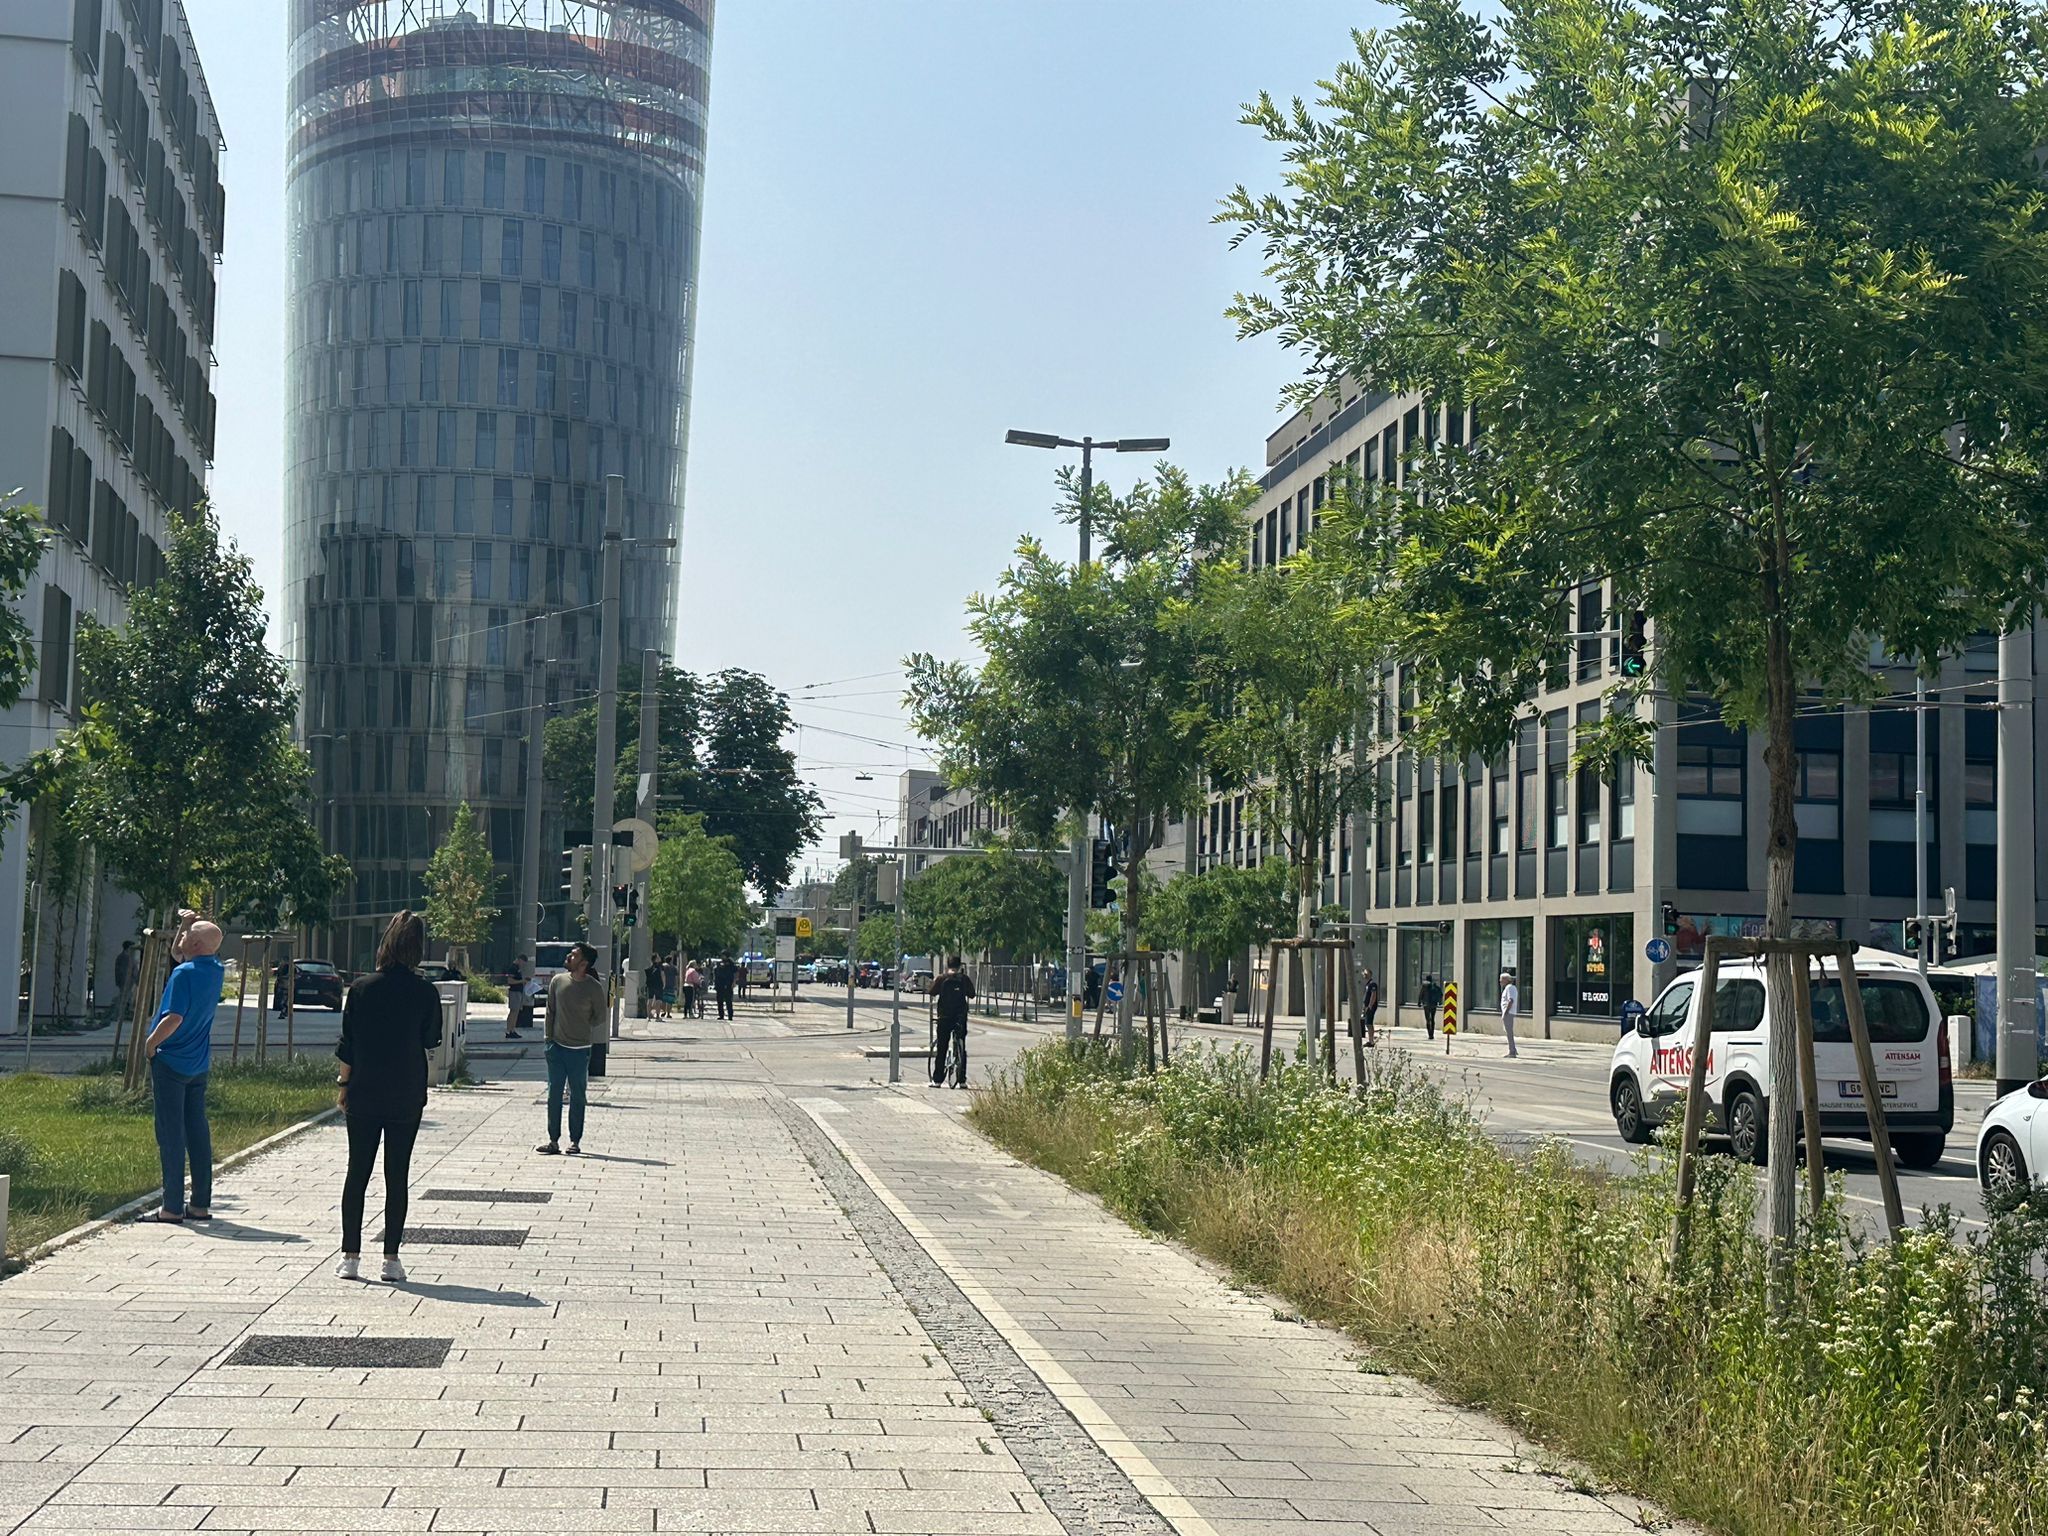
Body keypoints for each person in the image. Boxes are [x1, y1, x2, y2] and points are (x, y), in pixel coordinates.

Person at [334, 911, 443, 1283]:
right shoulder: (426, 992)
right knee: (397, 1175)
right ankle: (391, 1259)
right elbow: (431, 1040)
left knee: (357, 1172)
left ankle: (350, 1255)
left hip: (364, 1089)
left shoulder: (362, 989)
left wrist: (343, 1086)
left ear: (386, 942)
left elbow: (347, 1045)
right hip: (406, 1091)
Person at [141, 913, 224, 1223]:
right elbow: (179, 952)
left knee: (170, 1134)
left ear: (197, 943)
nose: (183, 937)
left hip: (171, 1060)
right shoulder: (214, 969)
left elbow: (173, 1018)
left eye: (189, 934)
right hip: (198, 1062)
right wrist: (185, 925)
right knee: (197, 1132)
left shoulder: (184, 975)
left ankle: (172, 1207)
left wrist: (151, 1045)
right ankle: (200, 1204)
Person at [539, 942, 605, 1155]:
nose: (569, 956)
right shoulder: (558, 982)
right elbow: (550, 1011)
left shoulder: (593, 987)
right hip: (556, 1047)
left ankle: (575, 1140)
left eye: (574, 955)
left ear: (584, 963)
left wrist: (581, 1027)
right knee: (553, 1094)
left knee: (578, 1095)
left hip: (580, 1049)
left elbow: (600, 1017)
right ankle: (553, 1140)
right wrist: (548, 1039)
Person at [929, 955, 976, 1090]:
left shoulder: (941, 978)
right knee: (961, 1045)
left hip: (944, 1017)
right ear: (960, 966)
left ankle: (937, 1080)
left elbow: (931, 992)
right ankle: (962, 1080)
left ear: (947, 965)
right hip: (960, 1017)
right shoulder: (964, 979)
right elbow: (972, 994)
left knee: (942, 1048)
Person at [111, 938, 138, 1023]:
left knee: (125, 998)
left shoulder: (127, 957)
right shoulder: (124, 958)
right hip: (126, 982)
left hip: (129, 982)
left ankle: (120, 1015)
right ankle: (117, 1015)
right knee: (123, 998)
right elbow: (123, 971)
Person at [505, 954, 531, 1039]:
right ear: (519, 959)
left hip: (518, 992)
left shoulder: (518, 968)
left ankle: (512, 1030)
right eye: (523, 962)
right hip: (514, 992)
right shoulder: (513, 968)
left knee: (516, 1012)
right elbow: (510, 981)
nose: (522, 964)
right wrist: (521, 981)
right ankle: (509, 1030)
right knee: (513, 1011)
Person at [1499, 970, 1520, 1059]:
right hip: (1508, 1012)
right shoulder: (1509, 988)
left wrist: (1506, 1012)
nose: (1500, 982)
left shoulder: (1510, 988)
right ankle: (1513, 1049)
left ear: (1507, 980)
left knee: (1509, 1032)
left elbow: (1511, 1000)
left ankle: (1512, 1051)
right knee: (1508, 1031)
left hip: (1509, 1013)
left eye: (1501, 980)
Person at [712, 955, 737, 1020]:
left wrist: (734, 982)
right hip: (720, 985)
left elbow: (735, 972)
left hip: (728, 985)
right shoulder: (719, 964)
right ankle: (721, 1015)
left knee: (728, 1001)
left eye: (724, 956)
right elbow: (715, 973)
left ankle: (730, 1016)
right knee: (720, 1001)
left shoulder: (731, 964)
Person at [1361, 966, 1380, 1044]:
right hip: (1366, 1006)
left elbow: (1373, 995)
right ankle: (1370, 1040)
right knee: (1367, 1023)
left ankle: (1371, 1041)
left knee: (1369, 1023)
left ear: (1369, 974)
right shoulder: (1367, 984)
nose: (1364, 975)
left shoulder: (1372, 984)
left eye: (1366, 973)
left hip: (1370, 1007)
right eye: (1364, 973)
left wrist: (1369, 1006)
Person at [1419, 973, 1442, 1041]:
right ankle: (1432, 1034)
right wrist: (1439, 1002)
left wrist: (1419, 1002)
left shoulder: (1424, 986)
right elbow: (1440, 994)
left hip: (1426, 1005)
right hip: (1433, 1005)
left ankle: (1430, 1034)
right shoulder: (1434, 986)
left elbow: (1421, 994)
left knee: (1428, 1019)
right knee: (1432, 1019)